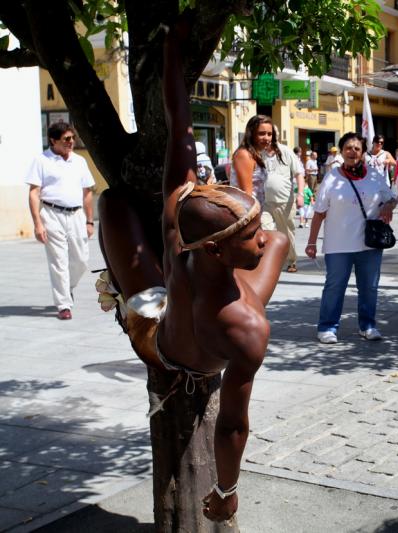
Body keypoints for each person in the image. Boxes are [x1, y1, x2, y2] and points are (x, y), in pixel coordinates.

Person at [96, 21, 288, 522]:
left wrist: (173, 53)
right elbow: (231, 428)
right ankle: (121, 285)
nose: (261, 236)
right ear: (218, 251)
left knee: (285, 239)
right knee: (111, 203)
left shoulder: (181, 210)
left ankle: (194, 269)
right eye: (250, 235)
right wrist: (226, 490)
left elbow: (179, 122)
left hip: (198, 307)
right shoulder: (247, 328)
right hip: (161, 338)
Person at [305, 132, 396, 344]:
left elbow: (391, 198)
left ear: (363, 152)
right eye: (348, 148)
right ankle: (327, 327)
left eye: (357, 148)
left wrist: (387, 207)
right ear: (342, 151)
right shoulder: (332, 177)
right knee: (335, 286)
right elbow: (319, 211)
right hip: (338, 244)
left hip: (370, 243)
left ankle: (368, 326)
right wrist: (311, 242)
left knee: (369, 287)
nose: (352, 152)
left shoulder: (374, 175)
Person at [25, 122, 95, 320]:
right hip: (51, 215)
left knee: (81, 260)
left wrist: (90, 221)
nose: (71, 142)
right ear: (53, 141)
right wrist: (38, 223)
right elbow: (33, 193)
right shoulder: (41, 160)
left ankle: (68, 287)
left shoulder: (80, 161)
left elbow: (87, 192)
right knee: (59, 261)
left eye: (72, 138)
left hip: (76, 216)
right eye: (66, 139)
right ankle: (64, 304)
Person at [252, 125, 304, 273]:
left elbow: (299, 174)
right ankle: (271, 260)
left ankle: (291, 260)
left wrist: (300, 194)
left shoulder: (286, 152)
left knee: (286, 232)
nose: (267, 138)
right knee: (266, 229)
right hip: (264, 201)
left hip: (284, 201)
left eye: (271, 135)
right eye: (264, 134)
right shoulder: (258, 153)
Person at [230, 115, 270, 206]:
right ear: (251, 134)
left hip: (256, 211)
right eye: (261, 133)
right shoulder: (244, 155)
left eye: (269, 134)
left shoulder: (256, 154)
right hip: (247, 213)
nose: (266, 138)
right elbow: (246, 196)